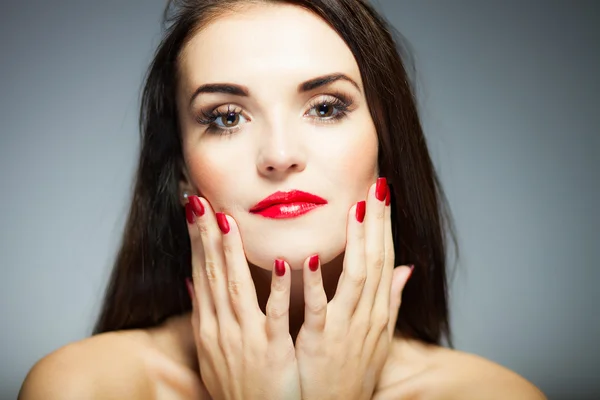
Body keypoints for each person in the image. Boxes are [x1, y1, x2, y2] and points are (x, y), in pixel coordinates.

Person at [19, 0, 546, 398]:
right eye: (226, 117)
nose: (279, 154)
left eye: (325, 107)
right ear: (181, 171)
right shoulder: (85, 387)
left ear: (386, 145)